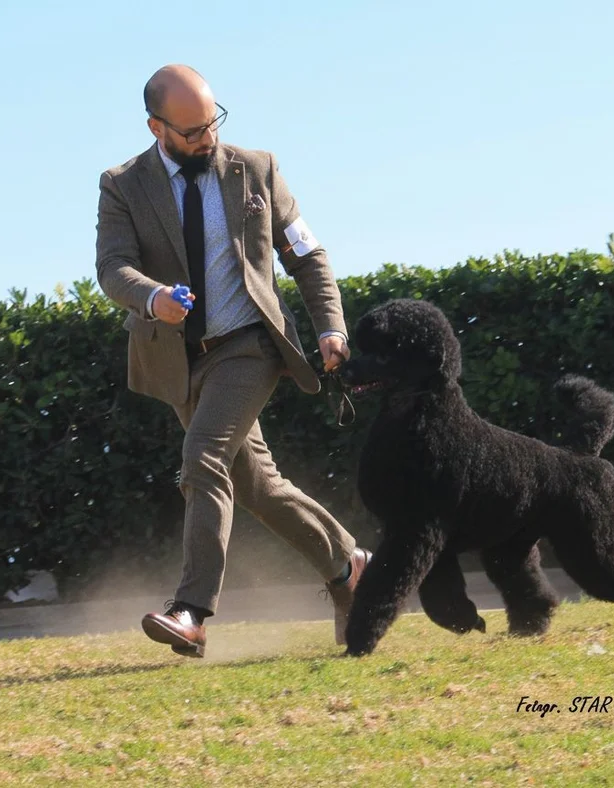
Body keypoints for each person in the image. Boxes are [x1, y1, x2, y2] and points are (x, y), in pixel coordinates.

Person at [94, 64, 371, 658]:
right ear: (156, 127)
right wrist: (152, 297)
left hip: (249, 345)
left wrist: (330, 327)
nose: (206, 139)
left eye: (212, 123)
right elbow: (112, 267)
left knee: (203, 457)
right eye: (191, 132)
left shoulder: (258, 169)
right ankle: (348, 567)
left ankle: (191, 611)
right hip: (178, 360)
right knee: (257, 486)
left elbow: (307, 255)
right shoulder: (122, 184)